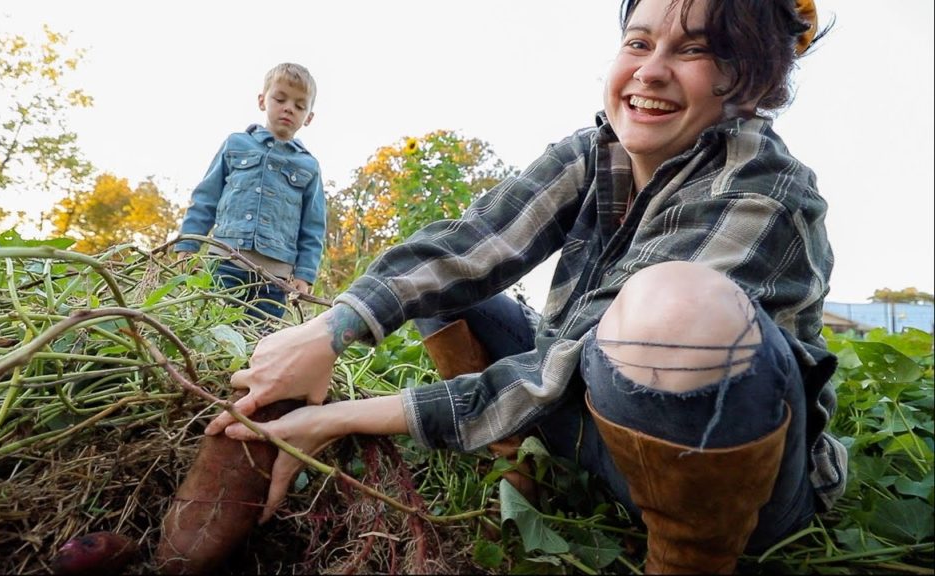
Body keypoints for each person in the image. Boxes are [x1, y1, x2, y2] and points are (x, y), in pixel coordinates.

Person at [205, 0, 847, 572]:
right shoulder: (597, 153)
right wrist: (328, 330)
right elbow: (470, 244)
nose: (651, 71)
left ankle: (686, 558)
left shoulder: (761, 187)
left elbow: (564, 367)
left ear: (749, 82)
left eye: (695, 50)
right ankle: (518, 462)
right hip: (595, 423)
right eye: (639, 42)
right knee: (447, 282)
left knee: (676, 308)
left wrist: (342, 417)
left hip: (733, 482)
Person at [174, 62, 326, 319]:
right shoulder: (236, 144)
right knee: (212, 327)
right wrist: (188, 243)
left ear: (308, 117)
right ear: (262, 100)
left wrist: (304, 273)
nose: (288, 107)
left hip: (274, 279)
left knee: (260, 340)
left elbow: (313, 227)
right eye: (280, 98)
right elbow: (206, 198)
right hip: (224, 262)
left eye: (300, 105)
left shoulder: (309, 166)